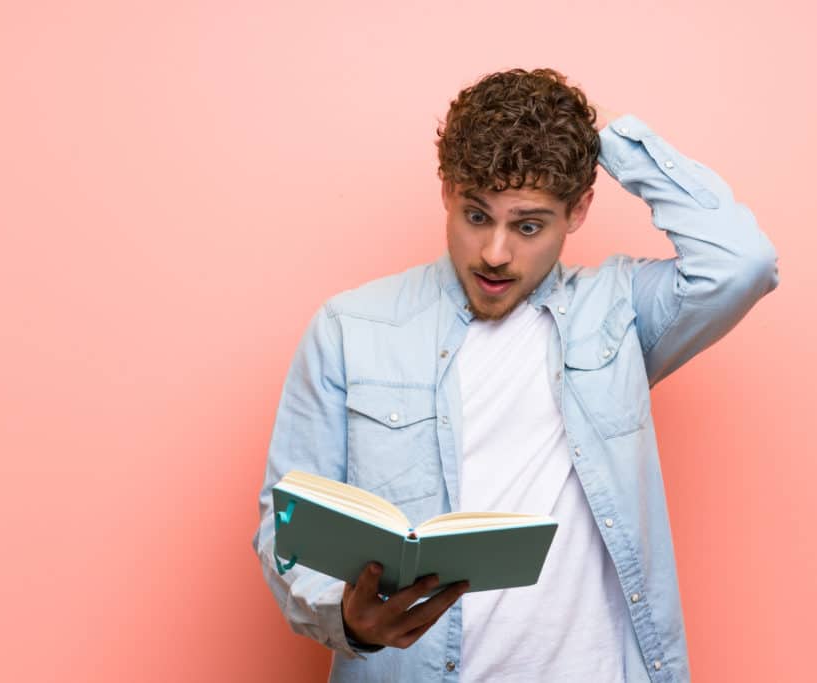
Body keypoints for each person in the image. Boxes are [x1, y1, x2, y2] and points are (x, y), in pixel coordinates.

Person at [252, 67, 779, 683]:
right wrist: (347, 616)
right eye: (477, 216)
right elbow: (284, 526)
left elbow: (742, 263)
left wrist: (605, 146)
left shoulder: (618, 313)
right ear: (447, 190)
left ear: (578, 209)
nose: (495, 253)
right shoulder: (350, 329)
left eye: (528, 225)